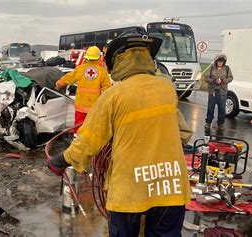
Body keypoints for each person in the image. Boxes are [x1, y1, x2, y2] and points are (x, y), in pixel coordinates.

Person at [48, 31, 190, 237]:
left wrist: (61, 160)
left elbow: (88, 141)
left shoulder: (114, 96)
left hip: (129, 191)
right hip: (170, 187)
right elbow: (183, 134)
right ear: (149, 58)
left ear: (117, 61)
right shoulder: (167, 89)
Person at [55, 46, 111, 133]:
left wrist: (58, 84)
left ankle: (77, 142)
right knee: (92, 129)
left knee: (79, 127)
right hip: (94, 107)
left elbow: (68, 78)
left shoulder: (80, 69)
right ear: (99, 57)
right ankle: (91, 144)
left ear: (86, 56)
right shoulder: (102, 71)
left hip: (80, 106)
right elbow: (107, 89)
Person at [204, 53, 233, 131]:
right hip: (212, 92)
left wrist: (223, 81)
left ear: (224, 62)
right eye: (218, 61)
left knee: (221, 109)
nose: (220, 62)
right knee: (210, 108)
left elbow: (230, 78)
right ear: (216, 61)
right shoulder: (211, 68)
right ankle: (208, 122)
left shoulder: (227, 69)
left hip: (222, 92)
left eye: (222, 61)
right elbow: (205, 78)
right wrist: (213, 80)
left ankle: (221, 124)